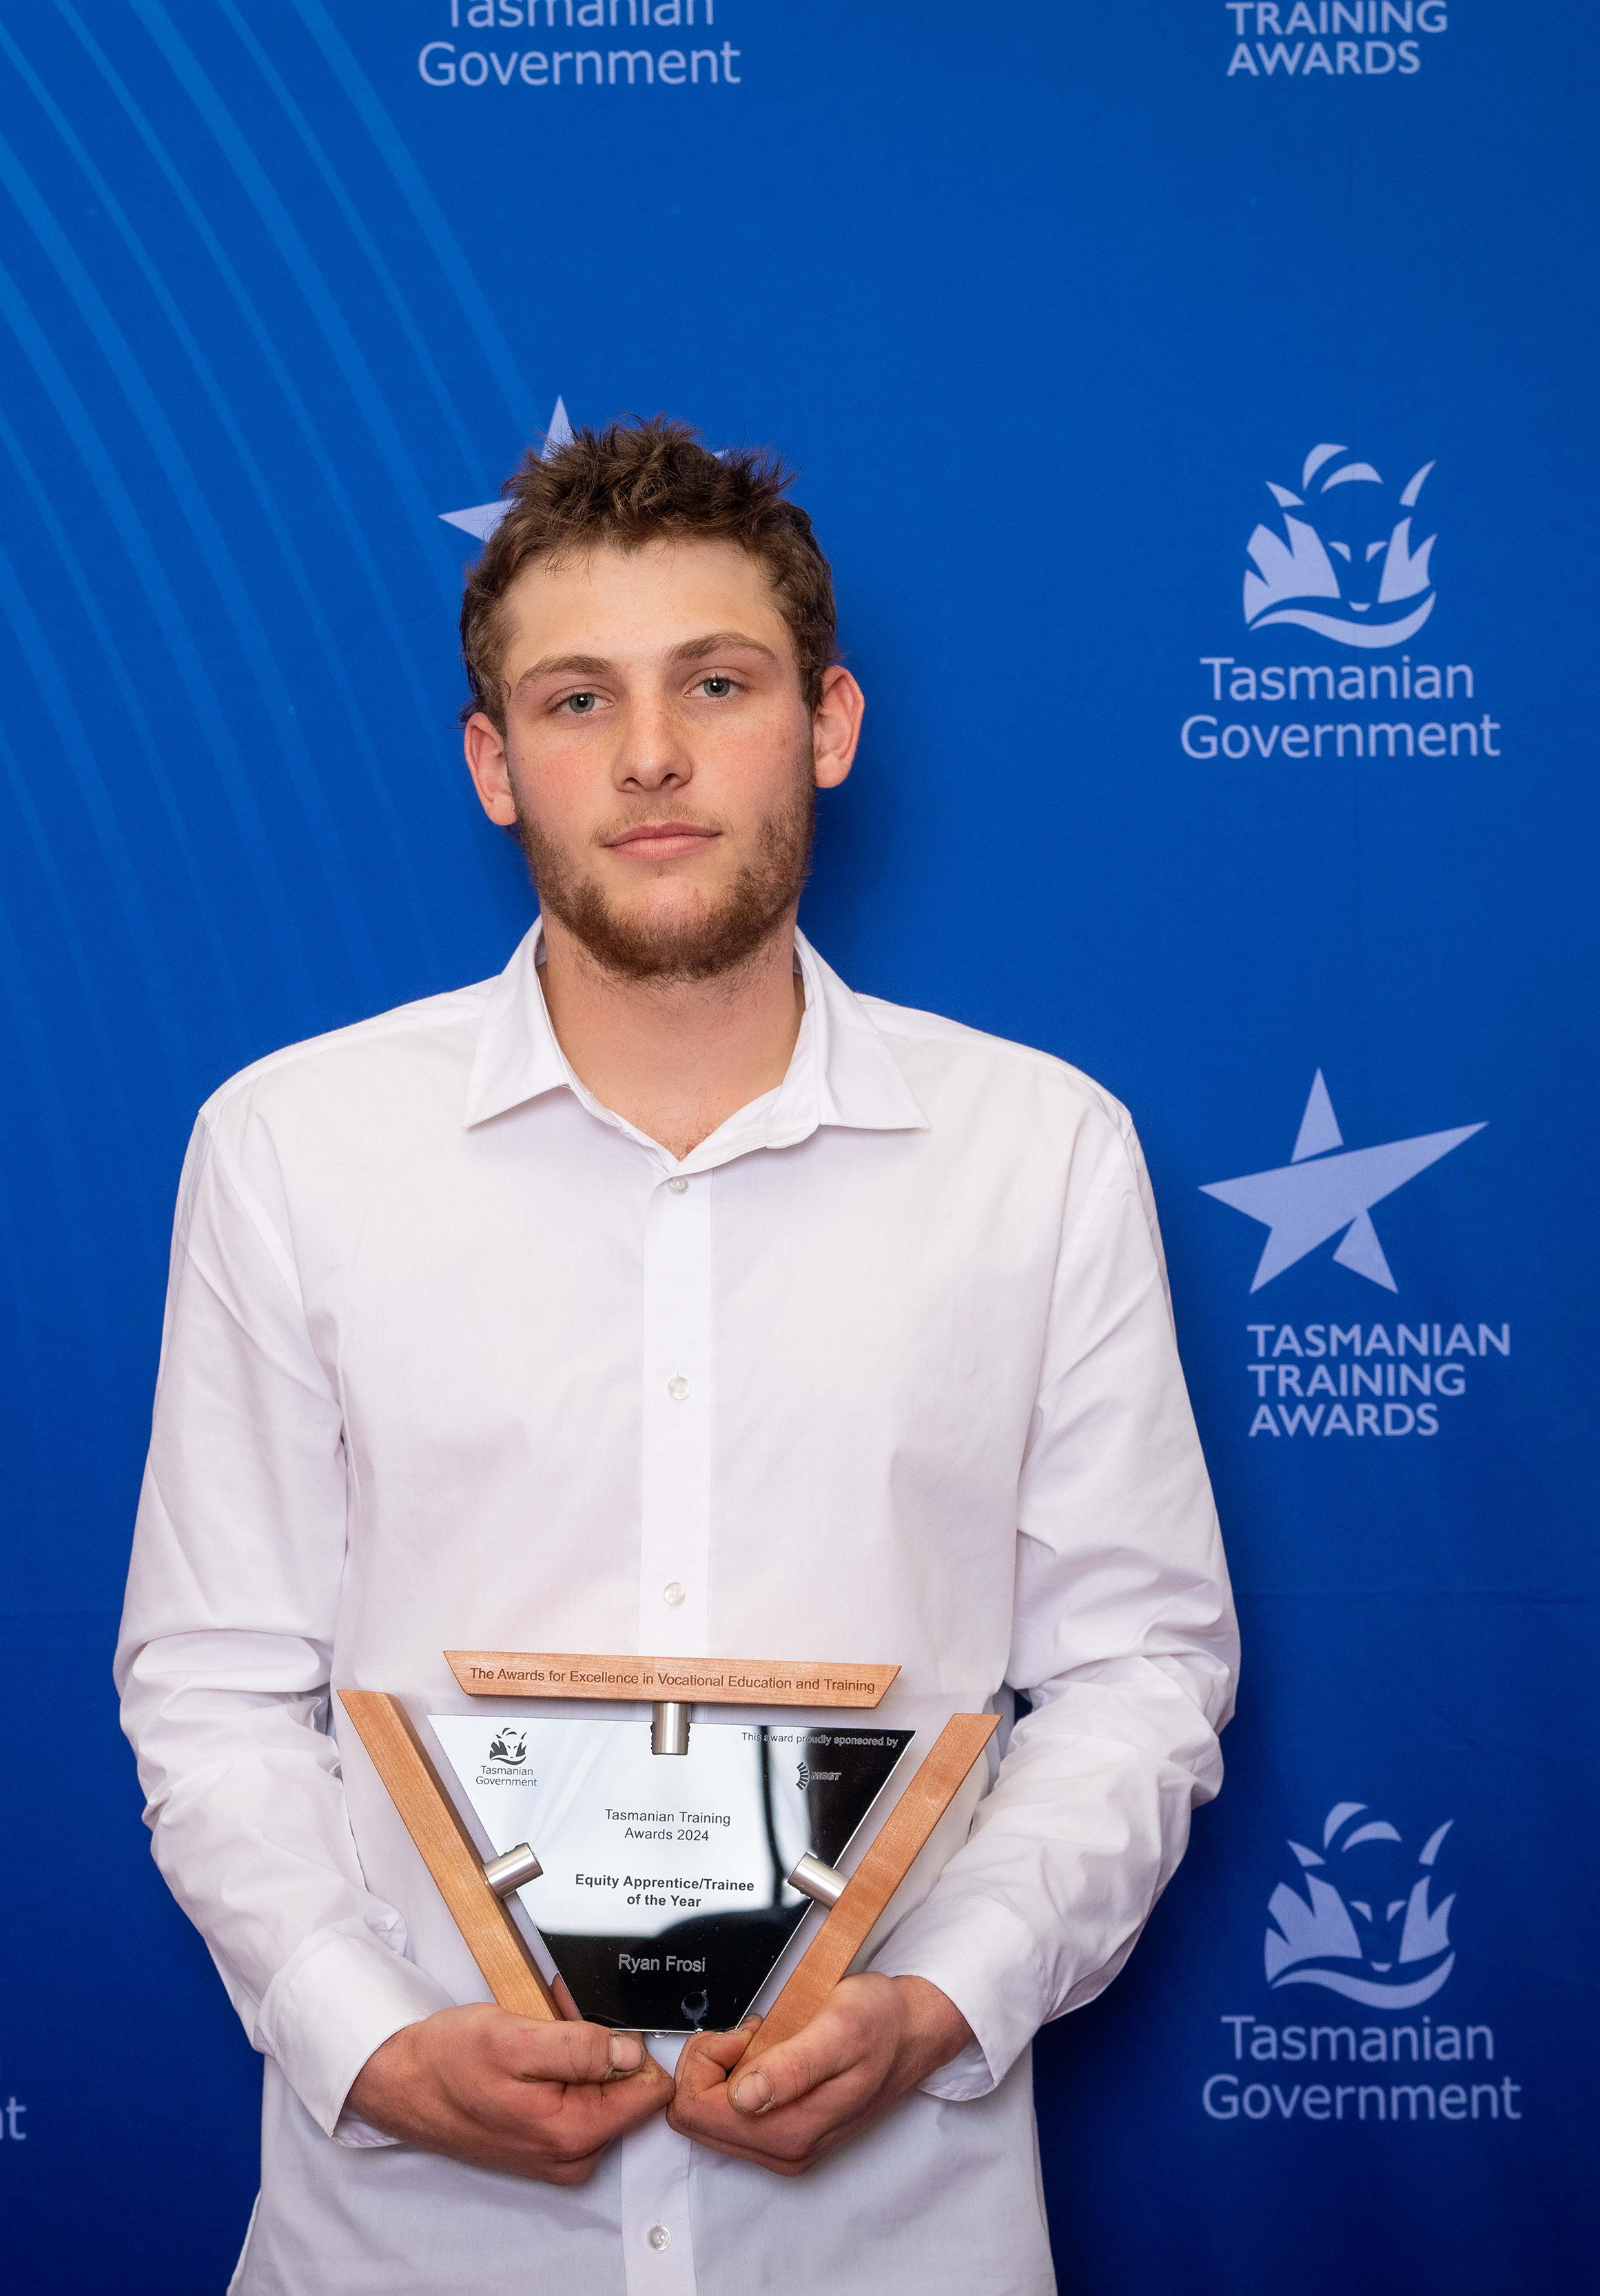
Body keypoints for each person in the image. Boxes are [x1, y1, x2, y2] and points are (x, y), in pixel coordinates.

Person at [114, 418, 1236, 2294]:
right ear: (493, 764)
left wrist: (946, 2004)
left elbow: (1139, 1665)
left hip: (894, 2244)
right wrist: (360, 2033)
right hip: (412, 2248)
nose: (647, 755)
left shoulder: (1041, 1153)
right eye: (575, 700)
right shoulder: (290, 1148)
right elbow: (217, 1682)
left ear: (828, 724)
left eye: (714, 683)